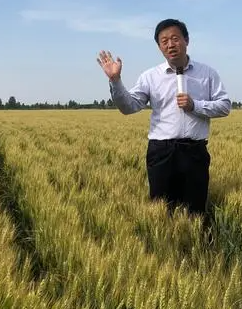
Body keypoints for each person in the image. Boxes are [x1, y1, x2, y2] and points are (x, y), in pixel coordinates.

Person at [96, 18, 231, 219]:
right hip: (161, 152)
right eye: (164, 41)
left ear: (186, 40)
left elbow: (225, 106)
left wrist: (195, 105)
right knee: (160, 213)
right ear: (159, 47)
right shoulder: (150, 76)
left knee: (195, 212)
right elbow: (129, 107)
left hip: (195, 152)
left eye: (175, 39)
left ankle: (193, 239)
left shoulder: (207, 74)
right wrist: (115, 81)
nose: (170, 45)